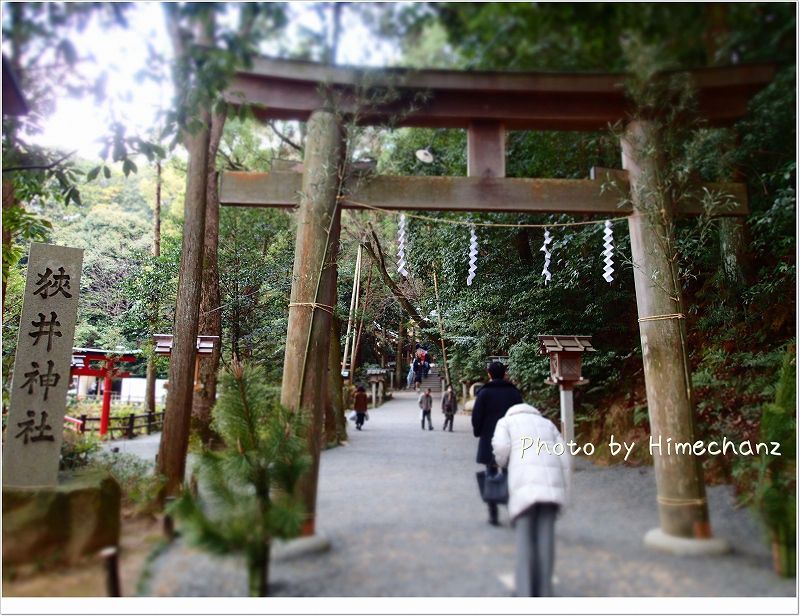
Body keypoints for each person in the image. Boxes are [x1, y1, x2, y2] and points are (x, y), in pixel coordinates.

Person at [492, 402, 570, 597]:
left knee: (524, 539)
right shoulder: (548, 424)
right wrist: (565, 494)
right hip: (551, 488)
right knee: (546, 540)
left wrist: (504, 462)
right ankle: (544, 592)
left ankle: (525, 592)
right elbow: (565, 459)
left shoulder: (506, 422)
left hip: (524, 485)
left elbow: (500, 449)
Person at [471, 361, 523, 526]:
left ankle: (493, 512)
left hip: (489, 438)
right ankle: (514, 511)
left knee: (491, 474)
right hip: (510, 438)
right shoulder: (514, 393)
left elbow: (477, 416)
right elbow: (520, 414)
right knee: (510, 475)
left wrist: (478, 432)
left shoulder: (484, 393)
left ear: (489, 374)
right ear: (504, 373)